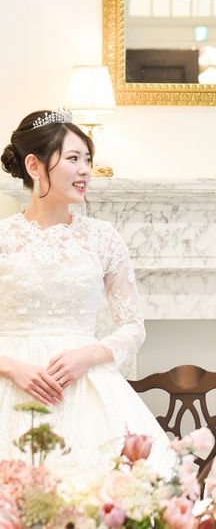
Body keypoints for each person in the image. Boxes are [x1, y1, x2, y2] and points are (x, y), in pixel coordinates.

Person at [0, 109, 171, 471]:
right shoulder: (2, 238)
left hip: (86, 388)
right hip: (9, 386)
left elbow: (133, 327)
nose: (85, 171)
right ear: (34, 165)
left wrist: (89, 354)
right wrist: (12, 367)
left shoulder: (102, 237)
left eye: (88, 160)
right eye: (74, 159)